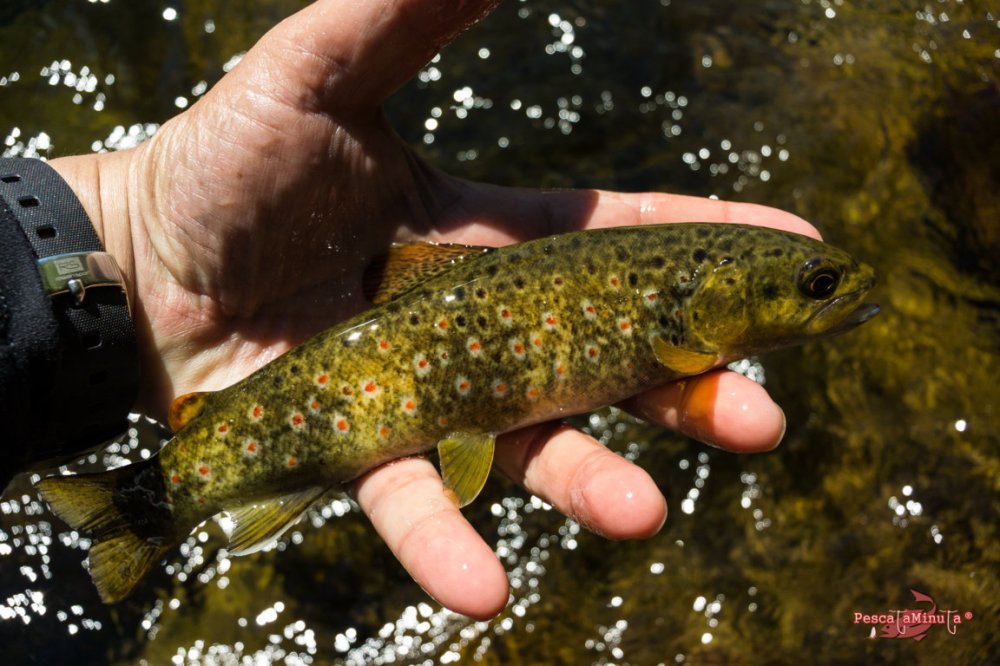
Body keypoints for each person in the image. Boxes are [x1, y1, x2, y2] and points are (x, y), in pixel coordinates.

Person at [3, 0, 820, 619]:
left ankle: (142, 499)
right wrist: (133, 237)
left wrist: (123, 244)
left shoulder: (689, 307)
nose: (826, 295)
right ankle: (140, 503)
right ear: (713, 301)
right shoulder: (684, 327)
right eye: (812, 287)